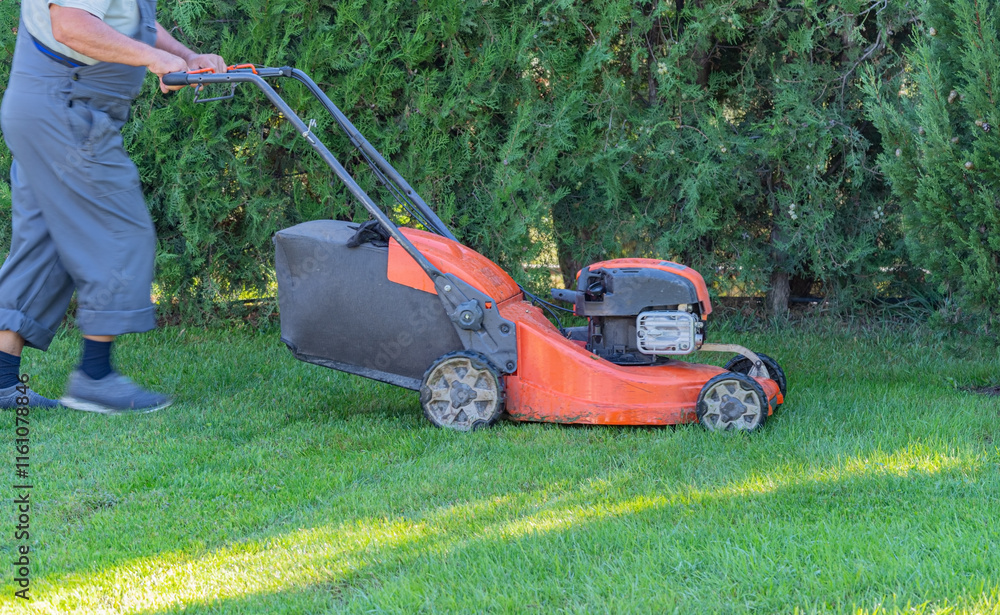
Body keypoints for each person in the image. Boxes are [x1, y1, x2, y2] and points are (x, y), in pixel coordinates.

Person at [0, 0, 226, 413]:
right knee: (120, 231)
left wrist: (184, 57)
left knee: (44, 243)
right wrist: (156, 59)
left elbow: (132, 20)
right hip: (66, 108)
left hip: (46, 108)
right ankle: (94, 377)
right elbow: (70, 24)